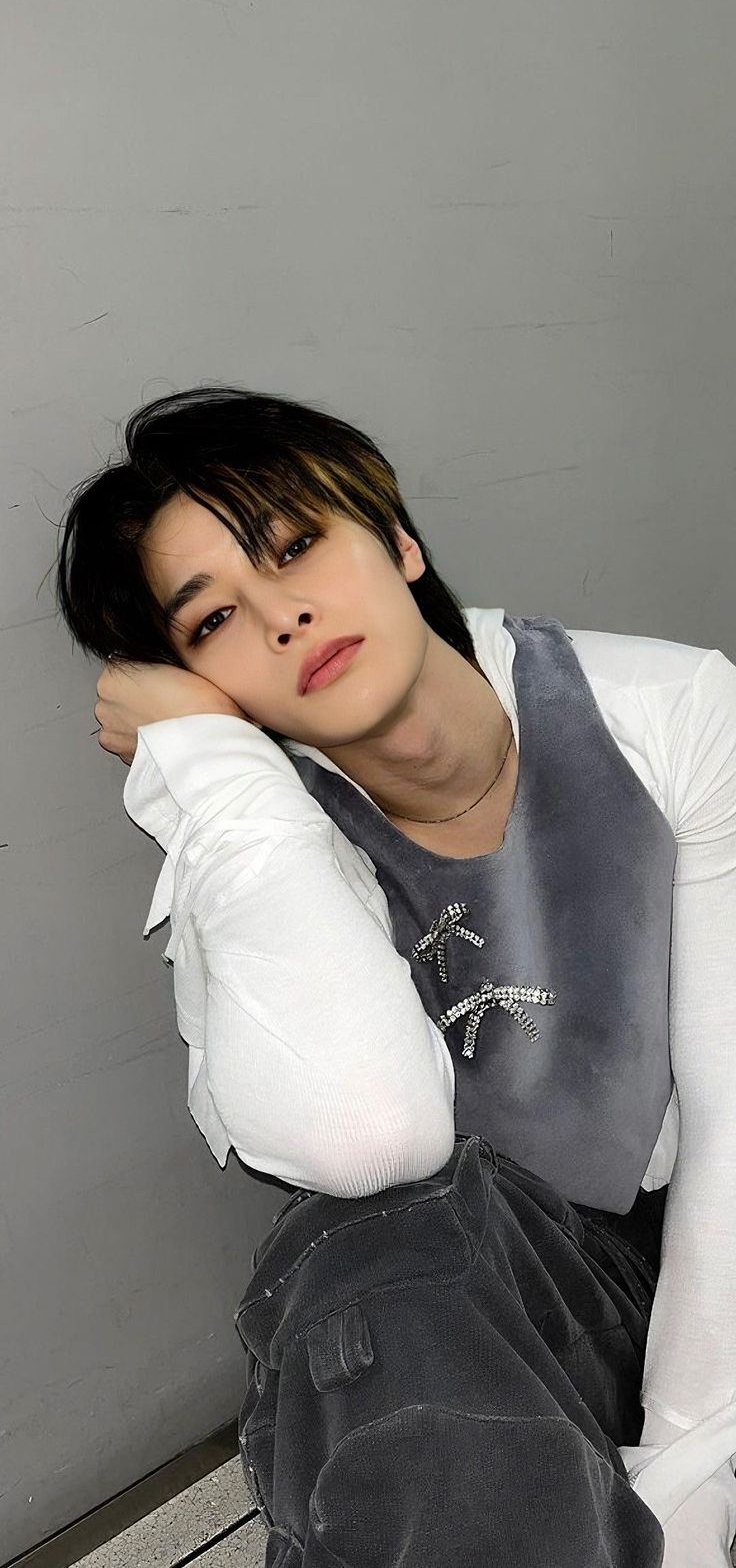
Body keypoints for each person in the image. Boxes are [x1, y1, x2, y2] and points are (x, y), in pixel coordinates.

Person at [55, 387, 736, 1565]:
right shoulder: (259, 838)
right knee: (377, 1252)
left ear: (399, 541)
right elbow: (365, 1143)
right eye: (212, 621)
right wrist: (219, 778)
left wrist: (681, 1468)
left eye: (297, 545)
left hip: (714, 1259)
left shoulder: (669, 712)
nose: (283, 616)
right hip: (519, 1302)